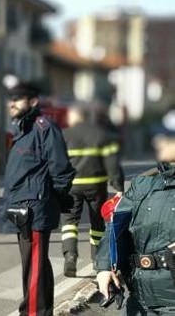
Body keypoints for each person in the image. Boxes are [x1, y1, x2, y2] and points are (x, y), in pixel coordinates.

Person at [1, 82, 76, 316]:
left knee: (34, 266)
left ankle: (33, 313)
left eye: (18, 98)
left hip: (34, 208)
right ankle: (43, 311)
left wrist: (58, 198)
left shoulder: (43, 128)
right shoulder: (21, 130)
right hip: (21, 209)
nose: (11, 103)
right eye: (10, 99)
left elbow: (61, 169)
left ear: (32, 101)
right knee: (36, 265)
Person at [95, 108, 175, 315]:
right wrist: (105, 266)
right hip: (139, 299)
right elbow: (116, 228)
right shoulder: (143, 183)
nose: (158, 142)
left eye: (166, 137)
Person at [61, 104, 124, 277]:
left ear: (73, 117)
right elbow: (112, 162)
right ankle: (97, 260)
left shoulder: (65, 135)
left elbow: (57, 162)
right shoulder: (100, 134)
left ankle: (70, 256)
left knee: (69, 223)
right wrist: (118, 187)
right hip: (97, 186)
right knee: (97, 223)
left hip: (72, 186)